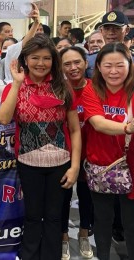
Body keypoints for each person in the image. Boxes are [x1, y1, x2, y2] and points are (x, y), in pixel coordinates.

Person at [0, 34, 81, 259]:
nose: (41, 63)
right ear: (25, 59)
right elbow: (4, 119)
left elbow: (74, 130)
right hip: (27, 163)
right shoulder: (14, 87)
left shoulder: (63, 88)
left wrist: (74, 168)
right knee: (33, 217)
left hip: (61, 164)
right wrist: (16, 83)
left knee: (54, 217)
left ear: (53, 60)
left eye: (46, 58)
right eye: (35, 57)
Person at [82, 42, 134, 260]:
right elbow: (98, 123)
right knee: (102, 219)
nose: (114, 71)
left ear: (129, 65)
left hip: (131, 164)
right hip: (101, 164)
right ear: (99, 67)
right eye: (108, 65)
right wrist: (127, 127)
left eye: (120, 65)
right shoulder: (91, 89)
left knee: (131, 222)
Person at [59, 46, 94, 260]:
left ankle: (84, 233)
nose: (73, 68)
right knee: (62, 197)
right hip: (63, 154)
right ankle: (63, 237)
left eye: (77, 62)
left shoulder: (96, 88)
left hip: (91, 154)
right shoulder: (58, 89)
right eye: (67, 64)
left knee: (87, 196)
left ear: (86, 62)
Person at [86, 10, 130, 78]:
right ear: (101, 31)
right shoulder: (89, 60)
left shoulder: (132, 58)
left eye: (117, 28)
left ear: (126, 30)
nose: (111, 32)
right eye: (107, 29)